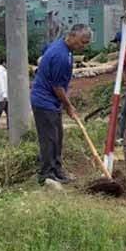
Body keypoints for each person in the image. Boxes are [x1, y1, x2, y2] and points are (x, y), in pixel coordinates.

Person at [30, 24, 91, 185]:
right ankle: (46, 175)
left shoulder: (64, 48)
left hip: (53, 101)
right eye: (82, 42)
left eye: (86, 44)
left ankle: (57, 170)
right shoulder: (61, 56)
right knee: (49, 139)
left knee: (57, 138)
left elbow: (45, 52)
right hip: (44, 101)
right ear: (72, 36)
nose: (83, 46)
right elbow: (57, 87)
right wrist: (69, 106)